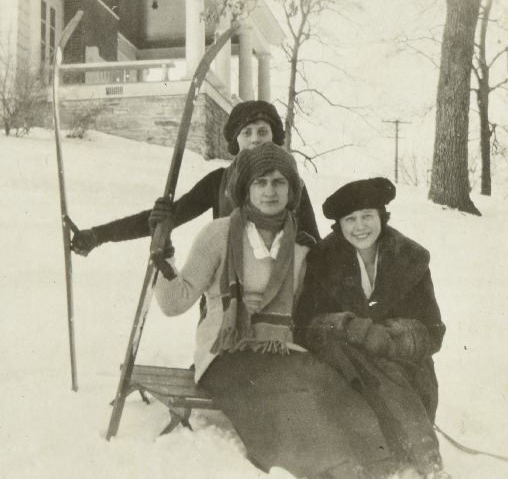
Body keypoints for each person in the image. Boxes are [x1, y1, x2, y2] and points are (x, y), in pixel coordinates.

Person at [152, 144, 412, 479]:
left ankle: (385, 468)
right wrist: (163, 256)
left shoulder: (302, 247)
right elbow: (174, 302)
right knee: (289, 402)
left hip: (283, 350)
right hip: (225, 353)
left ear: (291, 191)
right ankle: (334, 471)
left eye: (279, 182)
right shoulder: (218, 235)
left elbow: (316, 308)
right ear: (246, 189)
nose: (270, 191)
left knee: (334, 386)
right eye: (260, 182)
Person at [295, 177, 449, 479]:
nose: (359, 226)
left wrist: (389, 341)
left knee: (378, 364)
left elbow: (432, 331)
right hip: (346, 375)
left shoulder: (411, 258)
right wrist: (353, 328)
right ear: (339, 226)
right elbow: (304, 326)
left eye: (367, 216)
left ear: (382, 217)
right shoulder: (323, 260)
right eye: (350, 219)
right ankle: (425, 460)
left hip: (406, 377)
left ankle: (411, 460)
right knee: (353, 358)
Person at [70, 100, 319, 256]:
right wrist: (98, 235)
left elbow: (314, 245)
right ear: (236, 140)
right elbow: (173, 216)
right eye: (247, 132)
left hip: (280, 295)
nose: (255, 138)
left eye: (263, 131)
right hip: (225, 295)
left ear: (274, 138)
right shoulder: (219, 182)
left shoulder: (290, 185)